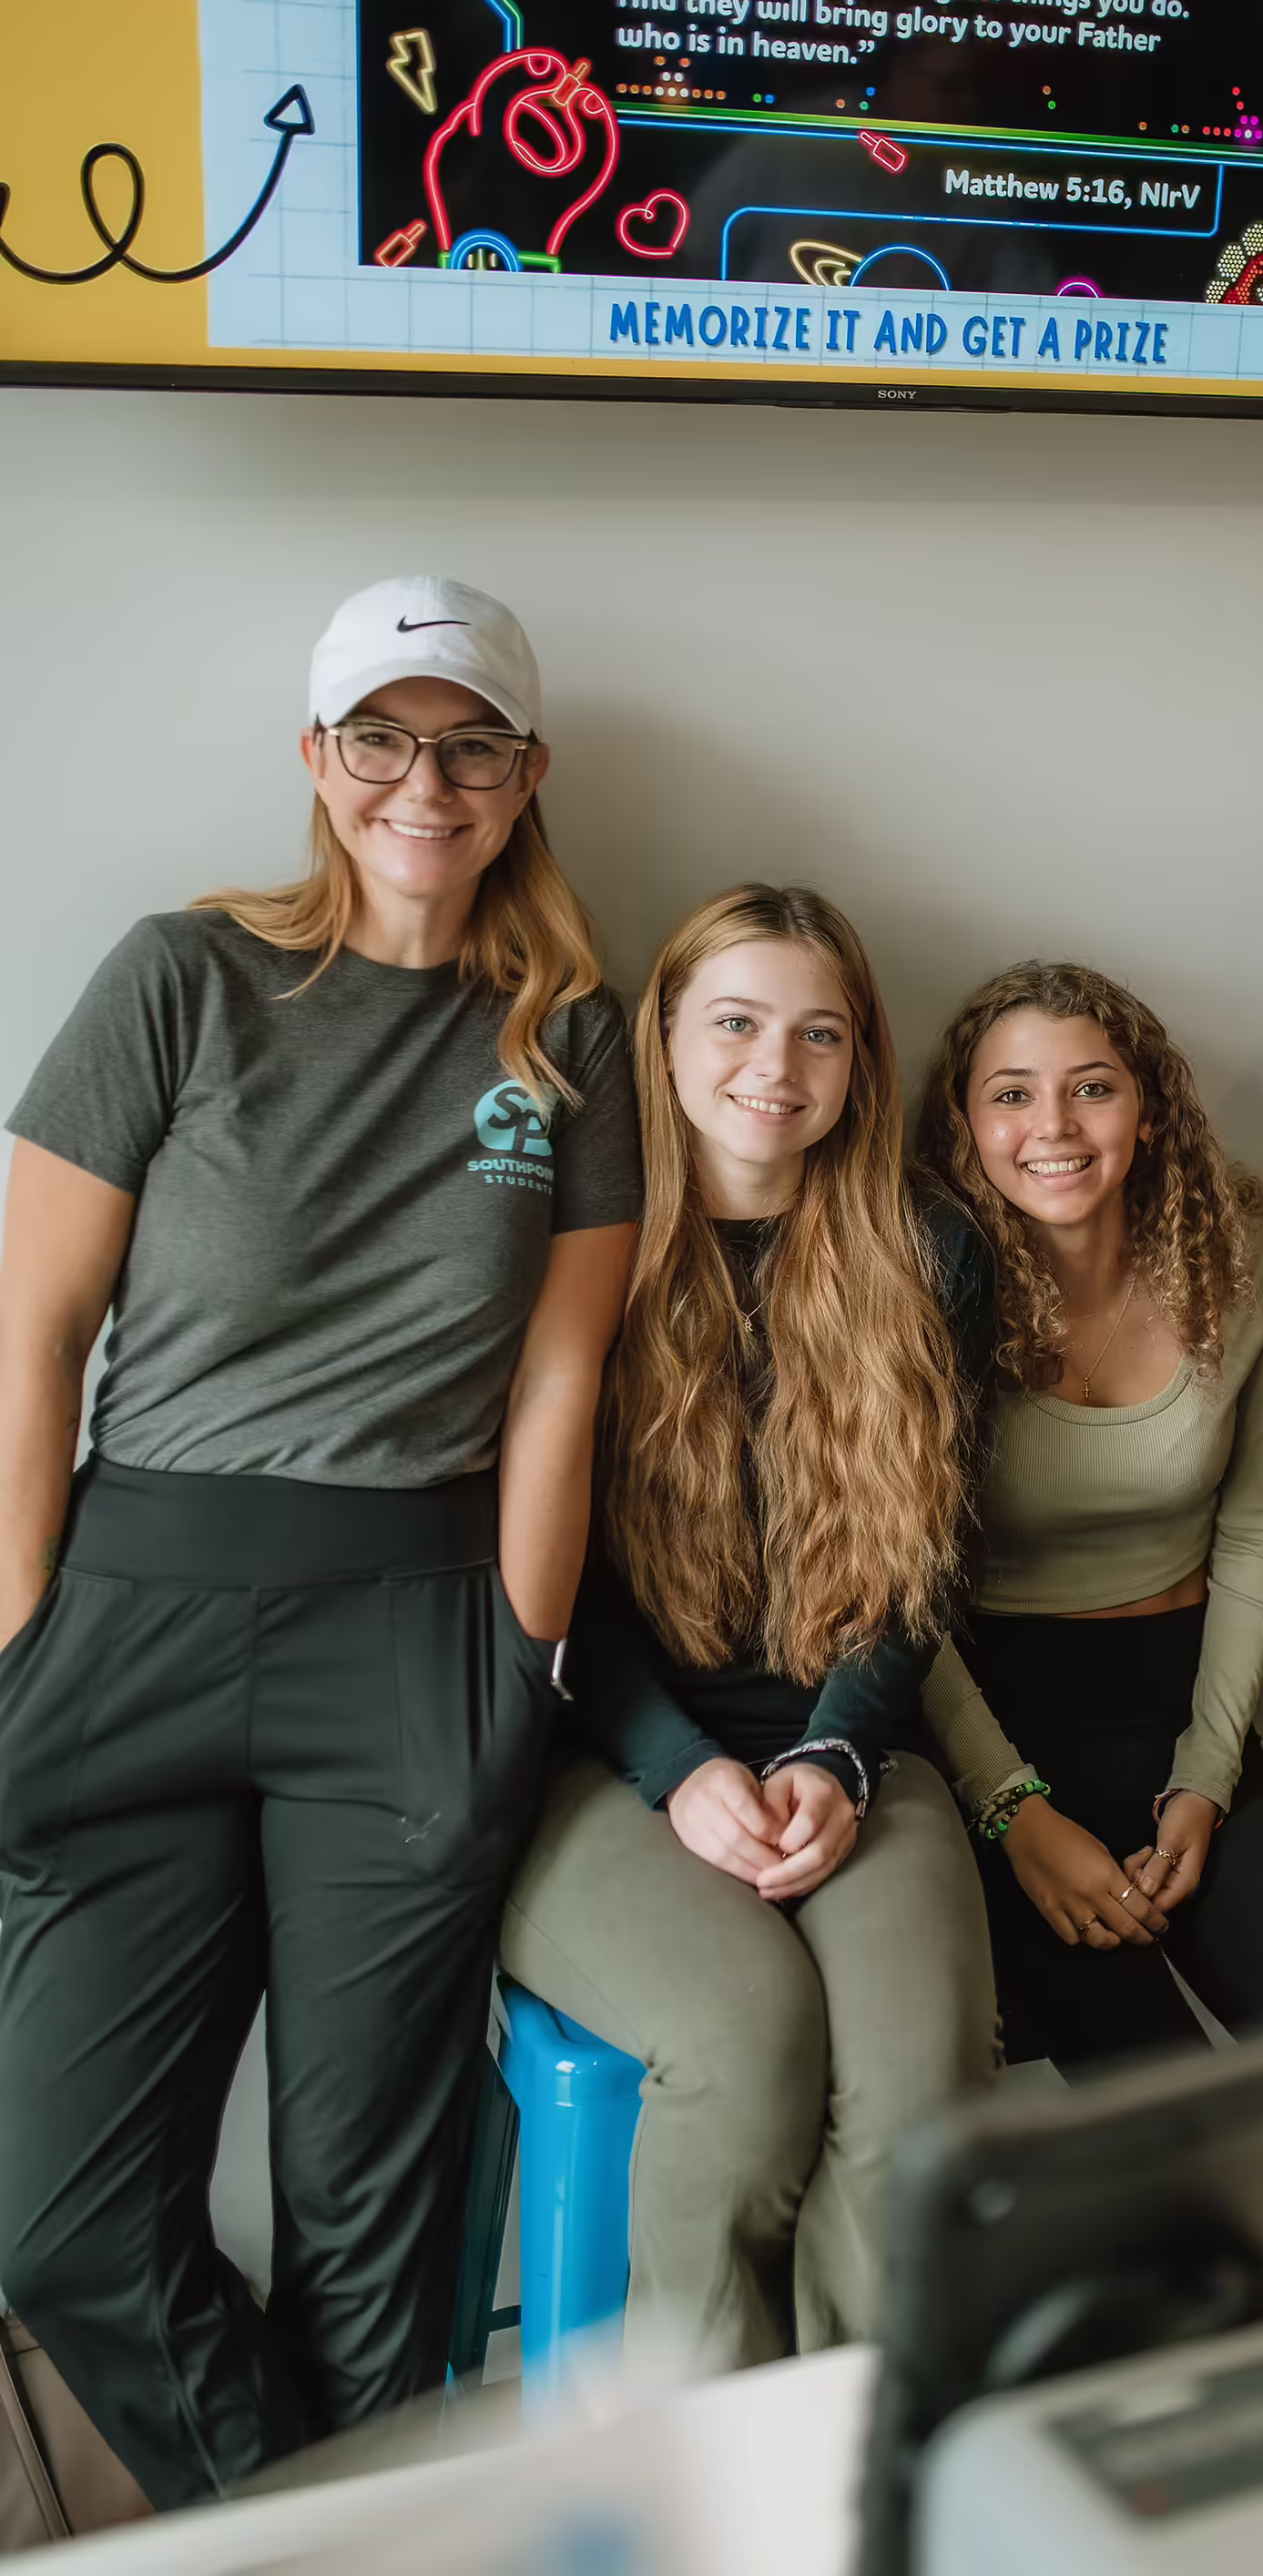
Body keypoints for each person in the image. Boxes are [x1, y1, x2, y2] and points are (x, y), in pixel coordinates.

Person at [0, 579, 641, 2503]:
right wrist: (22, 1644)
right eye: (380, 737)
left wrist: (517, 1668)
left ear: (526, 776)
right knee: (61, 2220)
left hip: (417, 1640)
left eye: (465, 744)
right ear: (317, 761)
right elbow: (30, 1335)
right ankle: (321, 2535)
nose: (420, 782)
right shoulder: (177, 977)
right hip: (136, 1619)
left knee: (370, 2231)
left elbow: (558, 1386)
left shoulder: (572, 1037)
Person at [501, 884, 999, 2370]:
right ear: (663, 1038)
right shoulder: (575, 1243)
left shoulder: (926, 1252)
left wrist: (840, 1758)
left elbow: (924, 1562)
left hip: (852, 1750)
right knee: (745, 2043)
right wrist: (679, 1769)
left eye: (818, 1035)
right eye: (735, 1022)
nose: (775, 1067)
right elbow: (552, 1577)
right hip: (604, 1761)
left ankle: (864, 2458)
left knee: (915, 2096)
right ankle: (711, 2453)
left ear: (858, 1064)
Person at [918, 961, 1263, 2079]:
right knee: (1167, 2109)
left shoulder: (1242, 1257)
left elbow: (1256, 1530)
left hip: (1176, 1709)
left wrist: (1208, 1776)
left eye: (1092, 1087)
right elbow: (886, 1581)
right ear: (963, 1124)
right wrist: (1012, 1813)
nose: (1053, 1126)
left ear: (1150, 1105)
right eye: (1010, 1094)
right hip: (979, 1726)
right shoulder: (915, 1284)